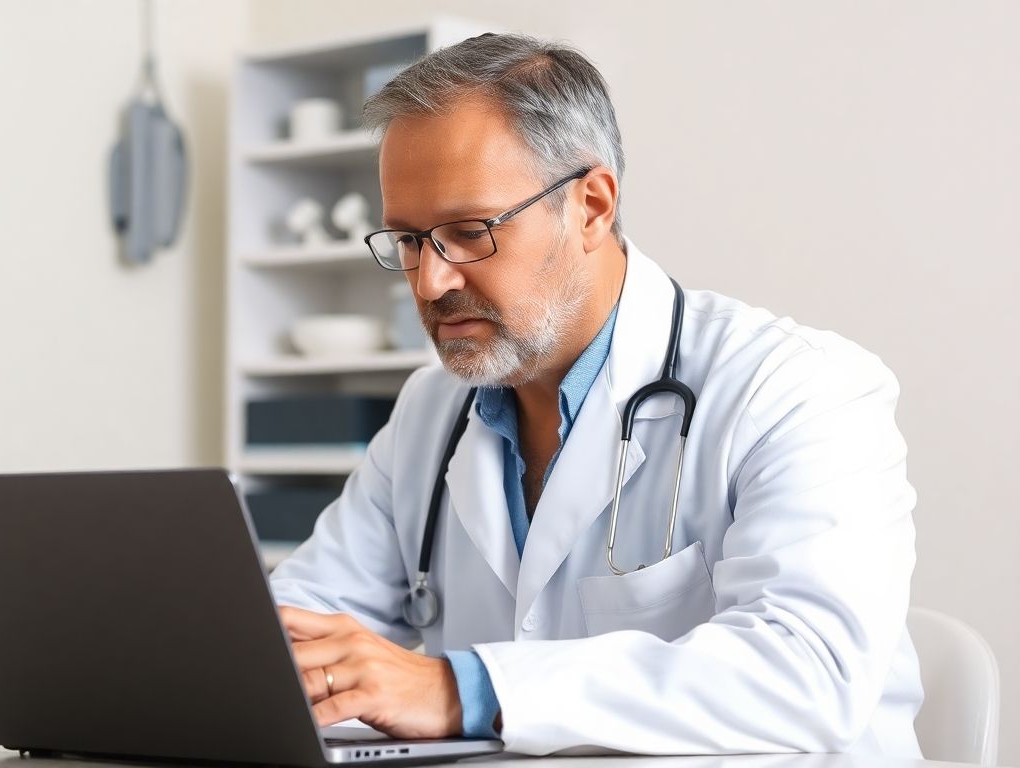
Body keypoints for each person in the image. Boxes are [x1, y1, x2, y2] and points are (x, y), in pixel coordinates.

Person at [268, 32, 921, 757]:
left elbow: (811, 671)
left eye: (468, 232)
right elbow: (292, 631)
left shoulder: (794, 389)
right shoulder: (432, 412)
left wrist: (463, 690)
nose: (431, 282)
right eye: (410, 242)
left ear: (591, 206)